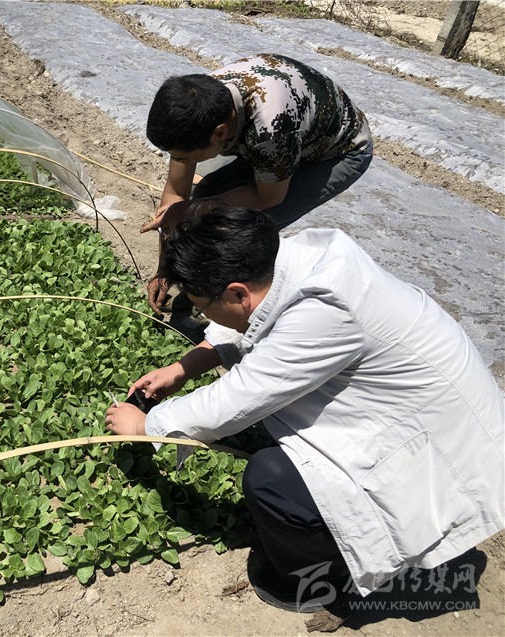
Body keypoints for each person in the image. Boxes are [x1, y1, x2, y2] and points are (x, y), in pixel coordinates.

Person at [105, 203, 504, 610]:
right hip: (419, 410)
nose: (205, 316)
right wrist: (184, 367)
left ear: (237, 293)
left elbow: (238, 398)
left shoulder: (327, 306)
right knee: (277, 438)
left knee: (272, 480)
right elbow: (260, 317)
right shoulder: (292, 257)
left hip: (442, 451)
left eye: (202, 307)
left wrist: (145, 425)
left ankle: (316, 580)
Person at [142, 53, 373, 315]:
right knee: (206, 196)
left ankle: (216, 310)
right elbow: (176, 196)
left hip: (337, 151)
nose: (181, 161)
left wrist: (196, 209)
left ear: (220, 133)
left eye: (184, 157)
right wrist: (164, 271)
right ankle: (199, 292)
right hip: (291, 137)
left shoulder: (270, 131)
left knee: (235, 230)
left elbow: (268, 197)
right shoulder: (200, 104)